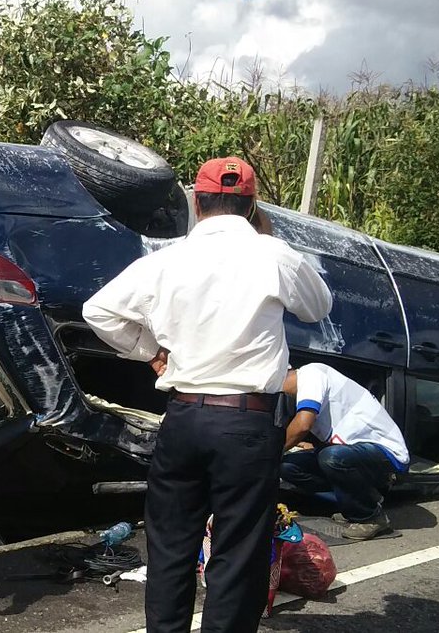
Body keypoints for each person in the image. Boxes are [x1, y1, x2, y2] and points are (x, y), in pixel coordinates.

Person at [82, 156, 333, 633]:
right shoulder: (273, 255)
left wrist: (150, 350)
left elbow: (99, 312)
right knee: (238, 555)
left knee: (171, 547)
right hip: (246, 423)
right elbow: (319, 304)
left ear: (197, 203)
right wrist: (268, 236)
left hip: (183, 417)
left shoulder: (163, 260)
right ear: (253, 204)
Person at [280, 364, 409, 540]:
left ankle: (370, 518)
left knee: (332, 458)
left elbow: (303, 424)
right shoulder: (302, 393)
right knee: (288, 466)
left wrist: (273, 453)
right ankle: (359, 501)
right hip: (352, 452)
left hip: (387, 453)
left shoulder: (312, 374)